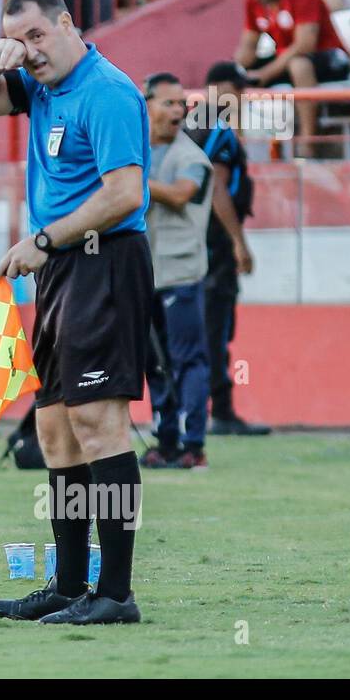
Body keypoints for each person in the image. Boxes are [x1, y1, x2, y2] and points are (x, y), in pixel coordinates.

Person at [0, 0, 150, 625]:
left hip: (105, 263)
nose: (30, 51)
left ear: (68, 23)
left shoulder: (108, 91)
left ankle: (115, 593)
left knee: (100, 426)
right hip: (61, 269)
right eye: (20, 39)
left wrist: (42, 239)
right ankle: (68, 586)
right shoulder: (39, 85)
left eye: (37, 36)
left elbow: (124, 194)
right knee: (56, 431)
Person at [187, 61, 271, 437]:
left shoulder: (188, 124)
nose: (242, 97)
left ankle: (194, 410)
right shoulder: (217, 129)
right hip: (213, 243)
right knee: (215, 326)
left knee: (195, 326)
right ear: (218, 87)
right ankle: (219, 411)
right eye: (238, 90)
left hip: (185, 241)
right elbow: (218, 189)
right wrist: (239, 242)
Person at [140, 72, 214, 469]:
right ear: (147, 105)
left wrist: (130, 184)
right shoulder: (138, 151)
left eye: (180, 103)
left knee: (188, 359)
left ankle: (194, 443)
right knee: (154, 362)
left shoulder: (191, 157)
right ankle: (165, 438)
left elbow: (182, 194)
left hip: (180, 274)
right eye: (168, 103)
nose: (177, 111)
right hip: (146, 274)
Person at [235, 0, 350, 155]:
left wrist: (265, 74)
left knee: (299, 65)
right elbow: (248, 46)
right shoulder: (253, 0)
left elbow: (305, 44)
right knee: (231, 76)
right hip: (287, 58)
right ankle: (236, 143)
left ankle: (309, 143)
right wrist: (239, 69)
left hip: (329, 58)